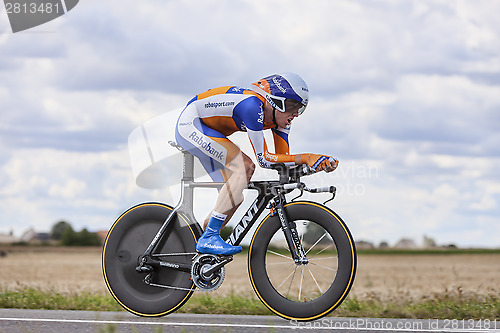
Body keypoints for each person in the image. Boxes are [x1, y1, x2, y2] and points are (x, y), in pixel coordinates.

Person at [175, 73, 338, 255]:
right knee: (245, 167)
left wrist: (315, 165)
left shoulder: (281, 119)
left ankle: (199, 255)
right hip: (191, 125)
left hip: (210, 131)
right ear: (276, 101)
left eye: (300, 109)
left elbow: (282, 160)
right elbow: (265, 159)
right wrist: (308, 157)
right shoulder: (252, 106)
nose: (295, 114)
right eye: (292, 106)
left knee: (234, 198)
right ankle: (209, 237)